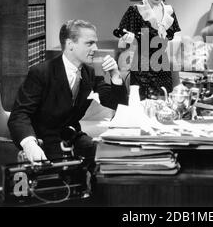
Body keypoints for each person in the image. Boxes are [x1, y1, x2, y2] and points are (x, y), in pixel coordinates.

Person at [8, 19, 128, 163]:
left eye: (95, 42)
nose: (96, 48)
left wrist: (115, 75)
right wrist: (29, 144)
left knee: (111, 158)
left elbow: (119, 105)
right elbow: (19, 115)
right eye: (89, 43)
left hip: (73, 138)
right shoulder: (41, 72)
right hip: (45, 144)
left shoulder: (89, 72)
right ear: (70, 45)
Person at [116, 0, 181, 99]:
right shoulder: (135, 11)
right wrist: (129, 39)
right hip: (141, 69)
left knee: (163, 107)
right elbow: (121, 38)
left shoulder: (169, 12)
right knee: (143, 109)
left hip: (162, 68)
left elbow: (170, 39)